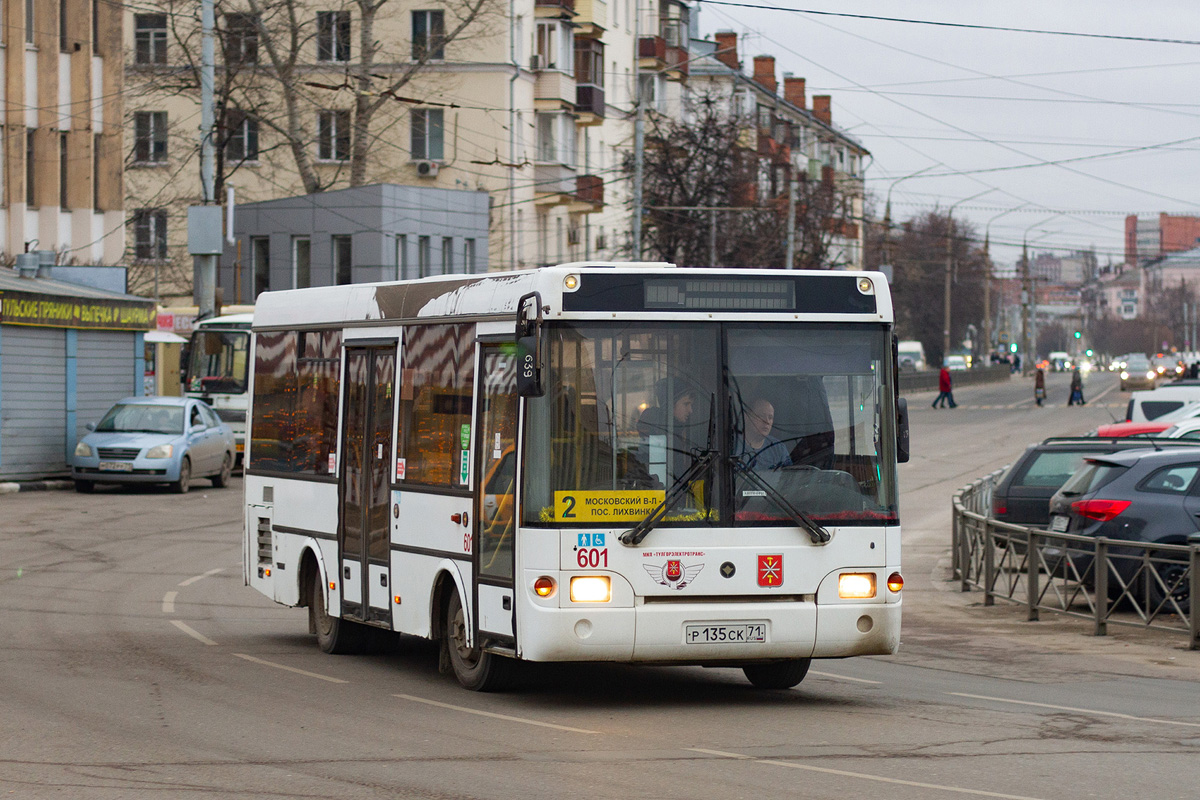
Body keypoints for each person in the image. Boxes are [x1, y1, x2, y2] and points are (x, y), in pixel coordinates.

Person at [735, 398, 792, 471]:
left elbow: (788, 478)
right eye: (761, 416)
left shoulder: (778, 448)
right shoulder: (732, 446)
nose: (767, 421)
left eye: (770, 417)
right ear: (746, 417)